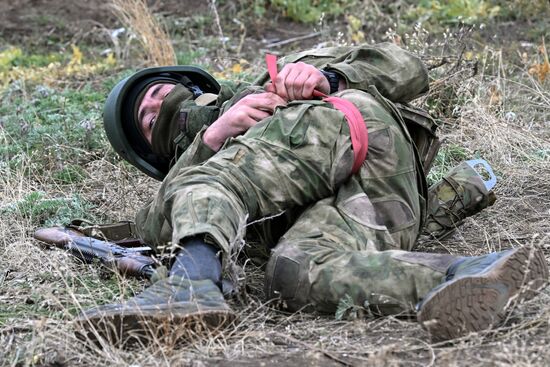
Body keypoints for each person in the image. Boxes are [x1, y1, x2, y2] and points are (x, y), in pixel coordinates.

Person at [78, 43, 548, 343]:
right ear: (148, 151)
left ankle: (188, 288)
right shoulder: (183, 174)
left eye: (159, 93)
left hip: (350, 127)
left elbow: (408, 69)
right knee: (292, 272)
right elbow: (155, 223)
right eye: (146, 117)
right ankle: (468, 274)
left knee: (219, 182)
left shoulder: (264, 84)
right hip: (384, 196)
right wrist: (214, 138)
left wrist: (327, 78)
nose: (158, 107)